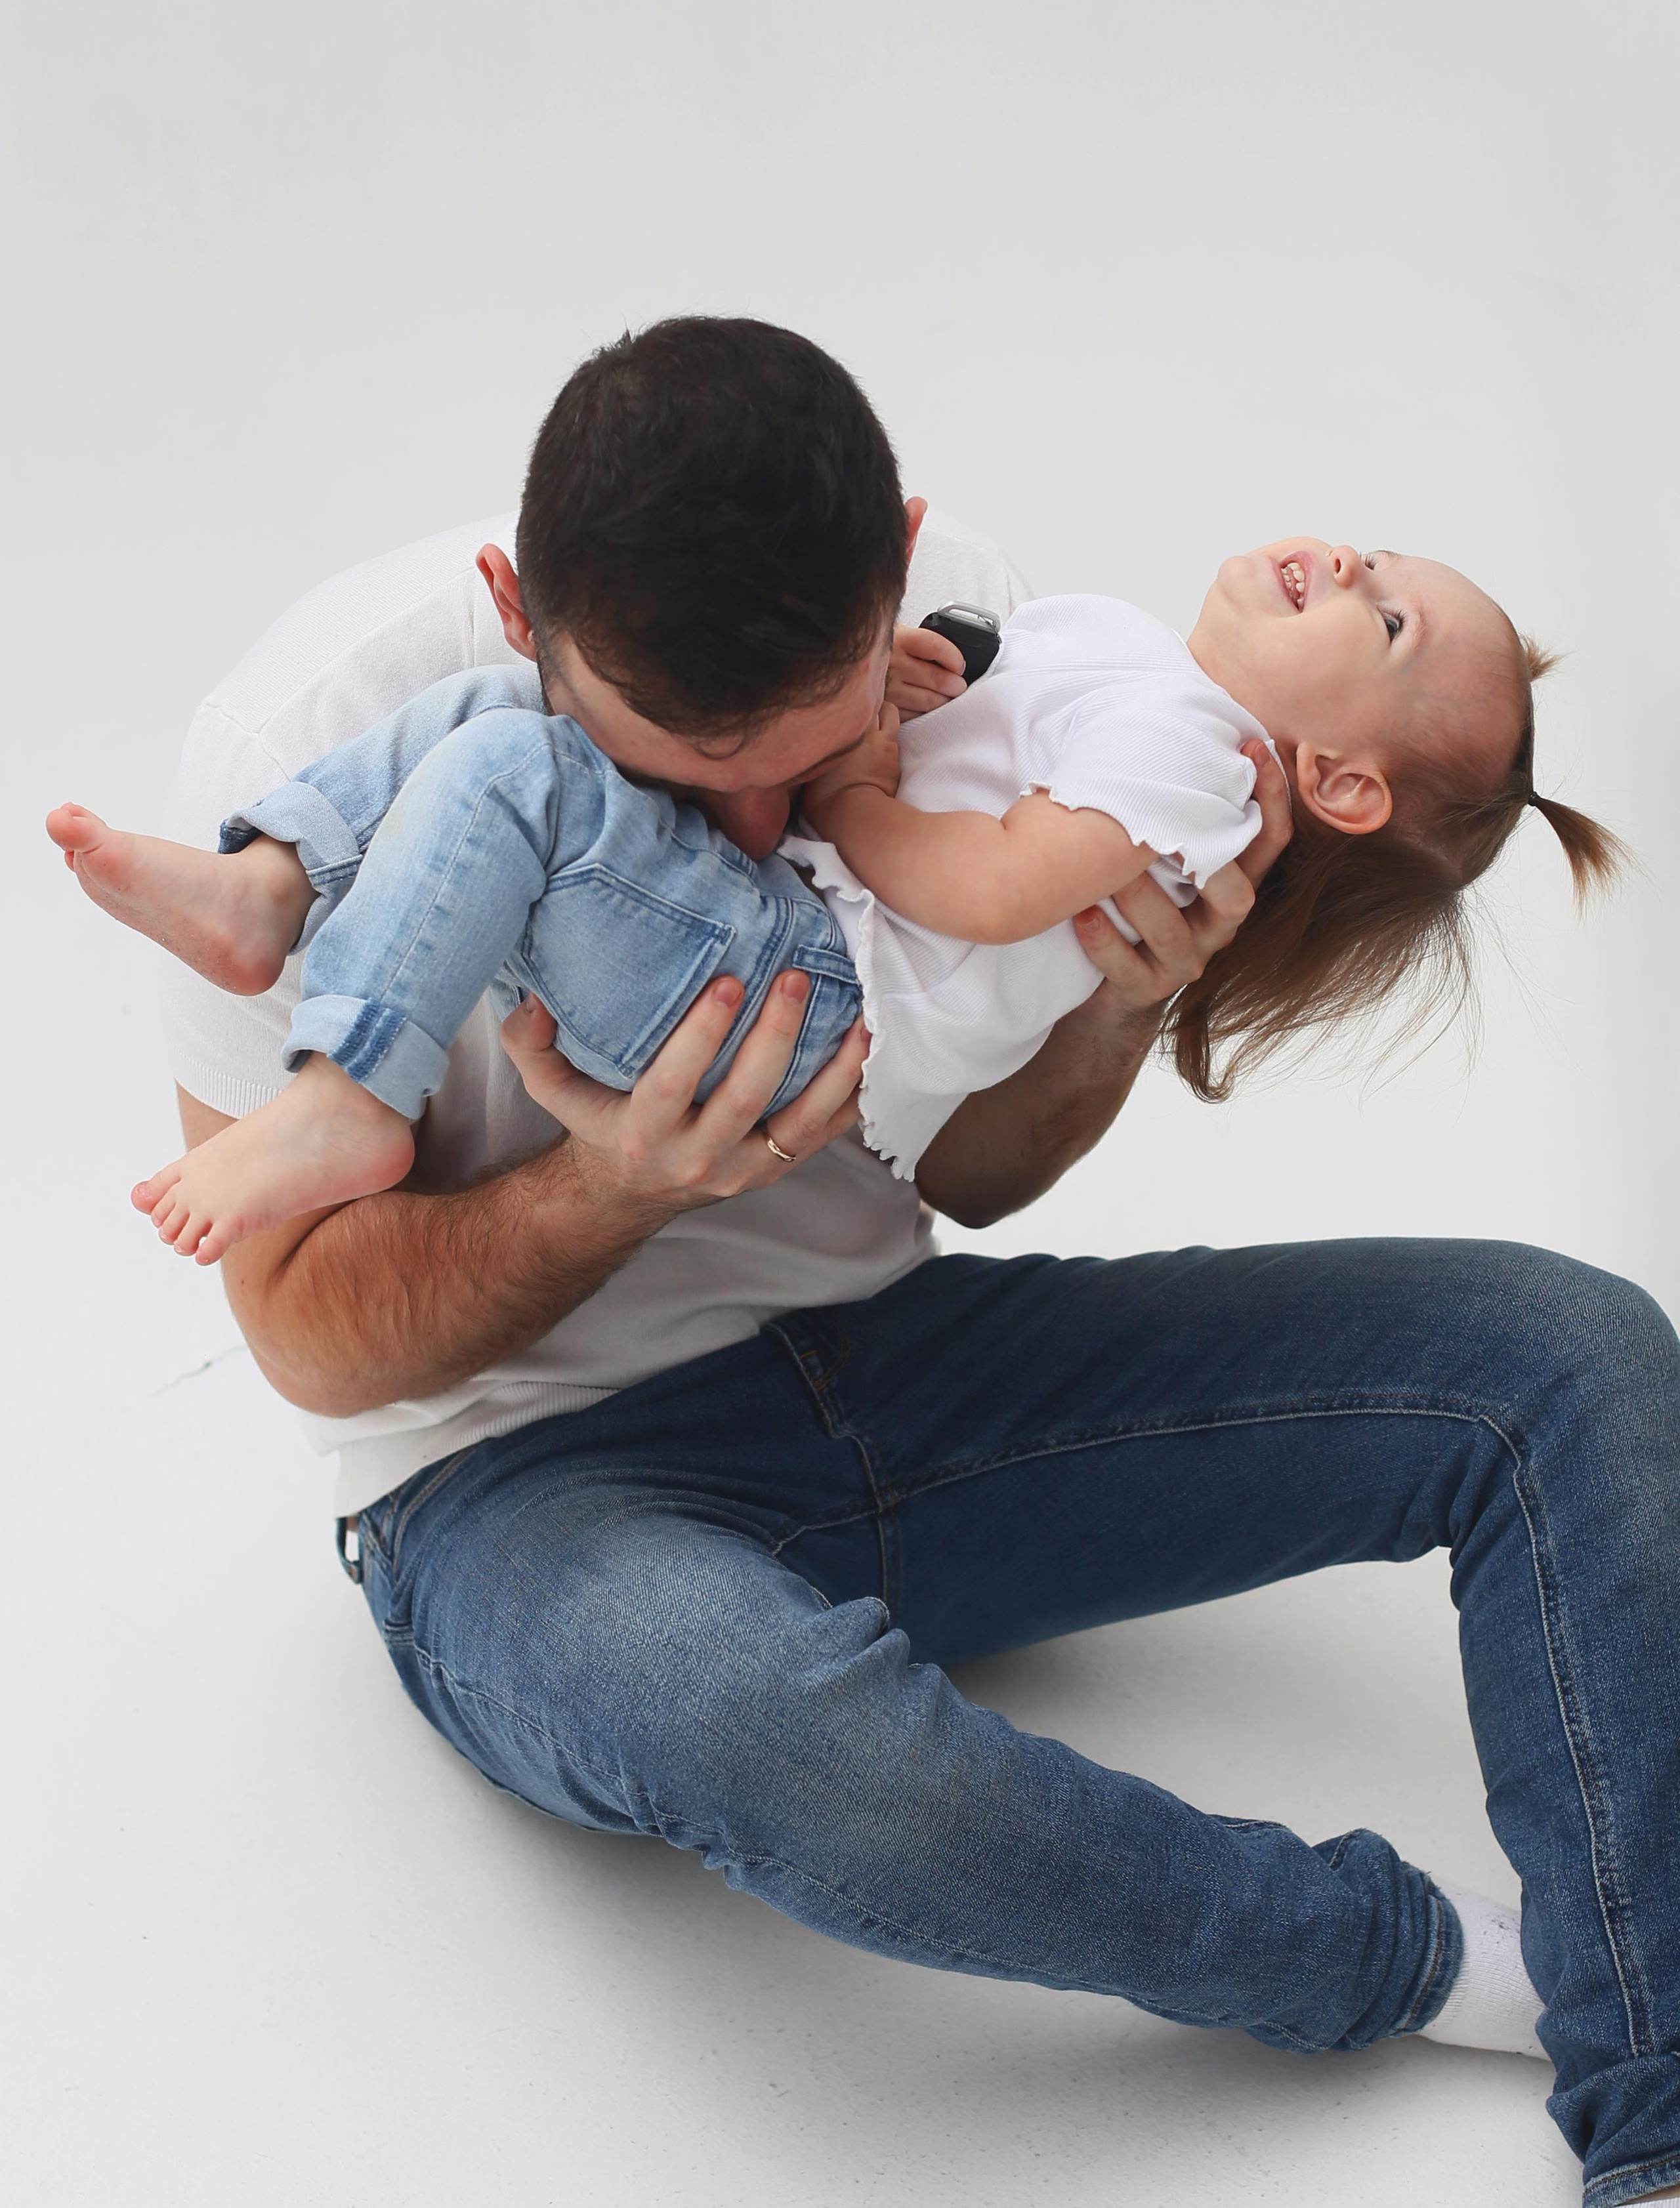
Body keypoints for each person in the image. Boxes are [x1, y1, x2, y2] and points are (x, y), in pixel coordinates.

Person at [56, 319, 1680, 2204]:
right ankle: (1405, 1963)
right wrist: (618, 1185)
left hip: (913, 1361)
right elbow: (314, 1346)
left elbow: (974, 1173)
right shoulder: (310, 725)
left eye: (818, 760)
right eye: (694, 776)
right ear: (520, 611)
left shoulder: (982, 613)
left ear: (899, 568)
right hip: (520, 1485)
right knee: (766, 1722)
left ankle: (1655, 2078)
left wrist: (1106, 1017)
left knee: (1563, 1352)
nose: (768, 840)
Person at [54, 523, 1616, 1262]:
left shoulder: (1197, 767)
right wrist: (909, 683)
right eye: (1374, 554)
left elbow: (998, 887)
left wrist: (854, 770)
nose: (1343, 563)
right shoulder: (1122, 656)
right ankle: (276, 880)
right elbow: (975, 744)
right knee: (500, 730)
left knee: (516, 777)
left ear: (1342, 784)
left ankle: (354, 1084)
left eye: (1385, 616)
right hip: (789, 918)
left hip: (812, 990)